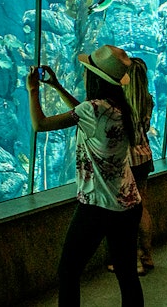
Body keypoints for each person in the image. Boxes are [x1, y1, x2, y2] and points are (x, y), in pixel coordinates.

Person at [27, 44, 143, 307]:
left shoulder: (93, 110)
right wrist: (57, 87)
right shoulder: (119, 107)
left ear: (95, 77)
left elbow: (40, 124)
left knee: (68, 272)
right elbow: (85, 115)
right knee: (127, 276)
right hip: (128, 203)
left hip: (98, 206)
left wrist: (33, 89)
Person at [124, 57, 155, 273]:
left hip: (127, 161)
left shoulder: (120, 101)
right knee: (142, 208)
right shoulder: (148, 99)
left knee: (127, 212)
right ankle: (147, 255)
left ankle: (133, 261)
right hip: (145, 157)